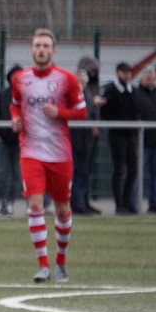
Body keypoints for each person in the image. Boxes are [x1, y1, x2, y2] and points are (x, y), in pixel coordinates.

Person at [10, 28, 87, 283]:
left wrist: (60, 113)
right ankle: (42, 265)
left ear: (53, 51)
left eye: (46, 46)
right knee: (34, 204)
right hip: (31, 151)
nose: (41, 50)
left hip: (59, 154)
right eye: (37, 46)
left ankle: (61, 261)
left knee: (63, 209)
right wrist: (16, 119)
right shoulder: (20, 78)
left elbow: (82, 112)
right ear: (31, 50)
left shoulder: (66, 79)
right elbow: (14, 103)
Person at [100, 62, 138, 214]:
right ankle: (119, 204)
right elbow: (106, 113)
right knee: (119, 169)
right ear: (118, 73)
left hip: (131, 135)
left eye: (129, 72)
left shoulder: (132, 91)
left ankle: (128, 201)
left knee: (133, 170)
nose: (127, 75)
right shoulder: (110, 91)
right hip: (117, 135)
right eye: (124, 72)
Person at [134, 67, 156, 213]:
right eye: (147, 77)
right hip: (143, 142)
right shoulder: (137, 95)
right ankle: (134, 204)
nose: (150, 80)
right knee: (138, 174)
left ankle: (155, 205)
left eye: (152, 77)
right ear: (142, 78)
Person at [69, 68, 103, 215]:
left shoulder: (88, 95)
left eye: (83, 78)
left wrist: (95, 125)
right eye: (78, 78)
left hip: (87, 140)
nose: (80, 81)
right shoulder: (69, 95)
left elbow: (93, 112)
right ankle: (77, 204)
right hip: (73, 139)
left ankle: (83, 201)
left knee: (84, 172)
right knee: (76, 172)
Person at [0, 65, 23, 216]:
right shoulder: (3, 95)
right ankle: (2, 202)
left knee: (17, 173)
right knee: (3, 172)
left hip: (21, 141)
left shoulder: (26, 95)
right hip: (5, 139)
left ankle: (11, 202)